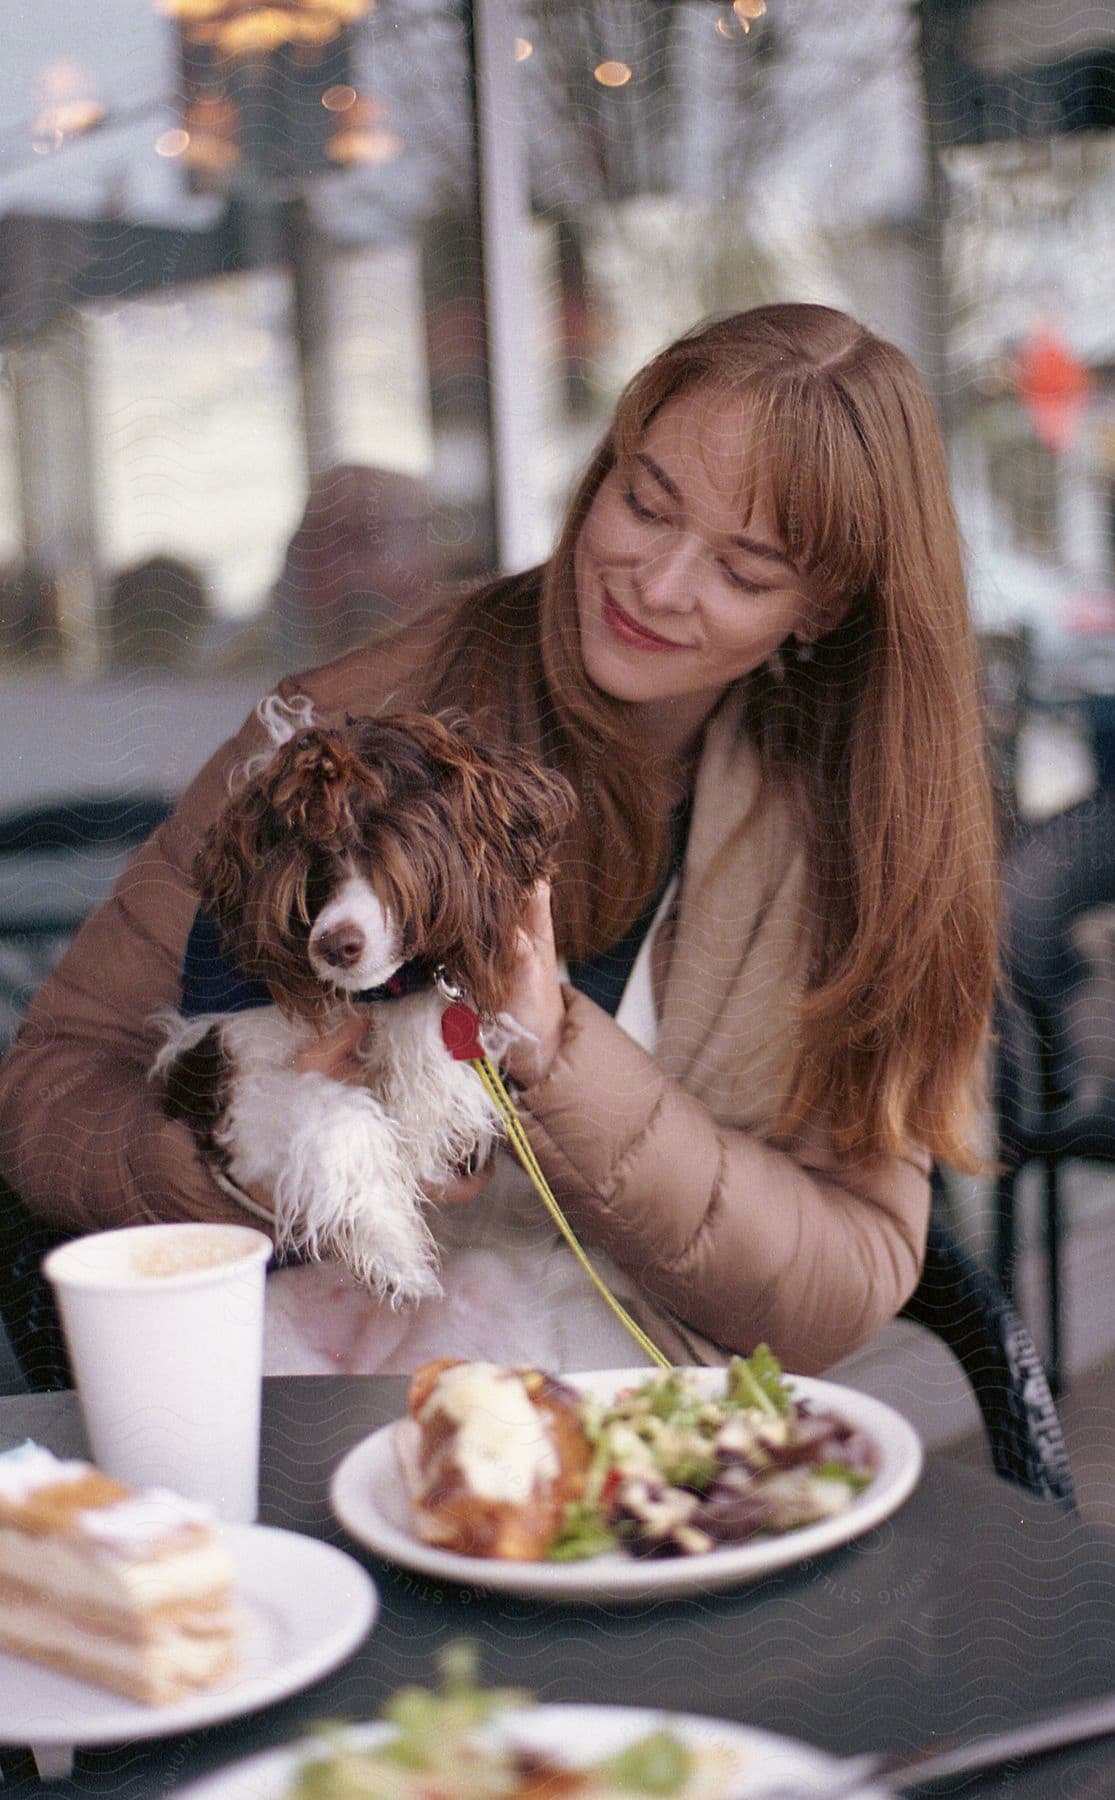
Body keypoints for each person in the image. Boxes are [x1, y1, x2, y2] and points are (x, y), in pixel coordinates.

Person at [0, 303, 998, 1377]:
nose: (657, 586)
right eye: (645, 503)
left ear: (822, 606)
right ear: (600, 471)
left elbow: (844, 1285)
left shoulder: (857, 826)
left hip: (626, 1454)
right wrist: (255, 1160)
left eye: (743, 572)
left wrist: (558, 1052)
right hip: (310, 1397)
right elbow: (50, 1095)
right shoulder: (340, 744)